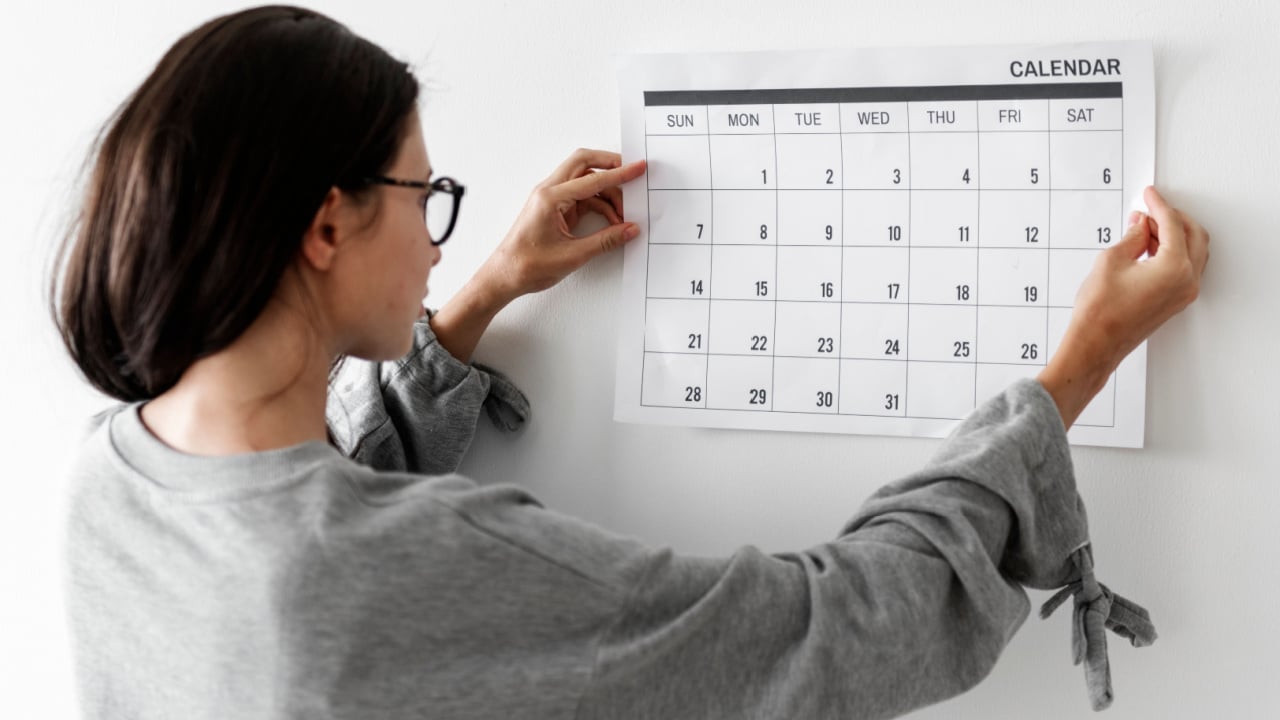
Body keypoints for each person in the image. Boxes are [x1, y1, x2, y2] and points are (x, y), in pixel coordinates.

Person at [51, 6, 1208, 720]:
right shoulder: (384, 576)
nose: (435, 231)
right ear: (324, 227)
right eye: (424, 195)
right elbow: (838, 633)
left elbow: (313, 497)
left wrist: (485, 290)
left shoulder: (114, 476)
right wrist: (1076, 363)